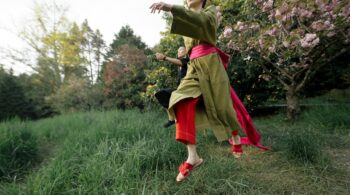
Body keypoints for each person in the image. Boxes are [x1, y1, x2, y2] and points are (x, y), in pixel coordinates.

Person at [150, 0, 269, 182]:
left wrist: (172, 8)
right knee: (179, 100)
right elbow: (189, 34)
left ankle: (235, 135)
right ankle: (193, 157)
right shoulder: (187, 16)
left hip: (212, 63)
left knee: (222, 103)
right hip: (194, 66)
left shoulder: (211, 11)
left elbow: (202, 22)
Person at [154, 47, 189, 128]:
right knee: (160, 94)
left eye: (181, 50)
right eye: (178, 51)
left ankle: (174, 118)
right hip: (180, 89)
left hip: (187, 89)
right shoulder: (179, 65)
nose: (178, 52)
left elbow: (181, 62)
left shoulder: (188, 60)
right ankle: (172, 118)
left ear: (186, 52)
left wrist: (164, 57)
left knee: (162, 93)